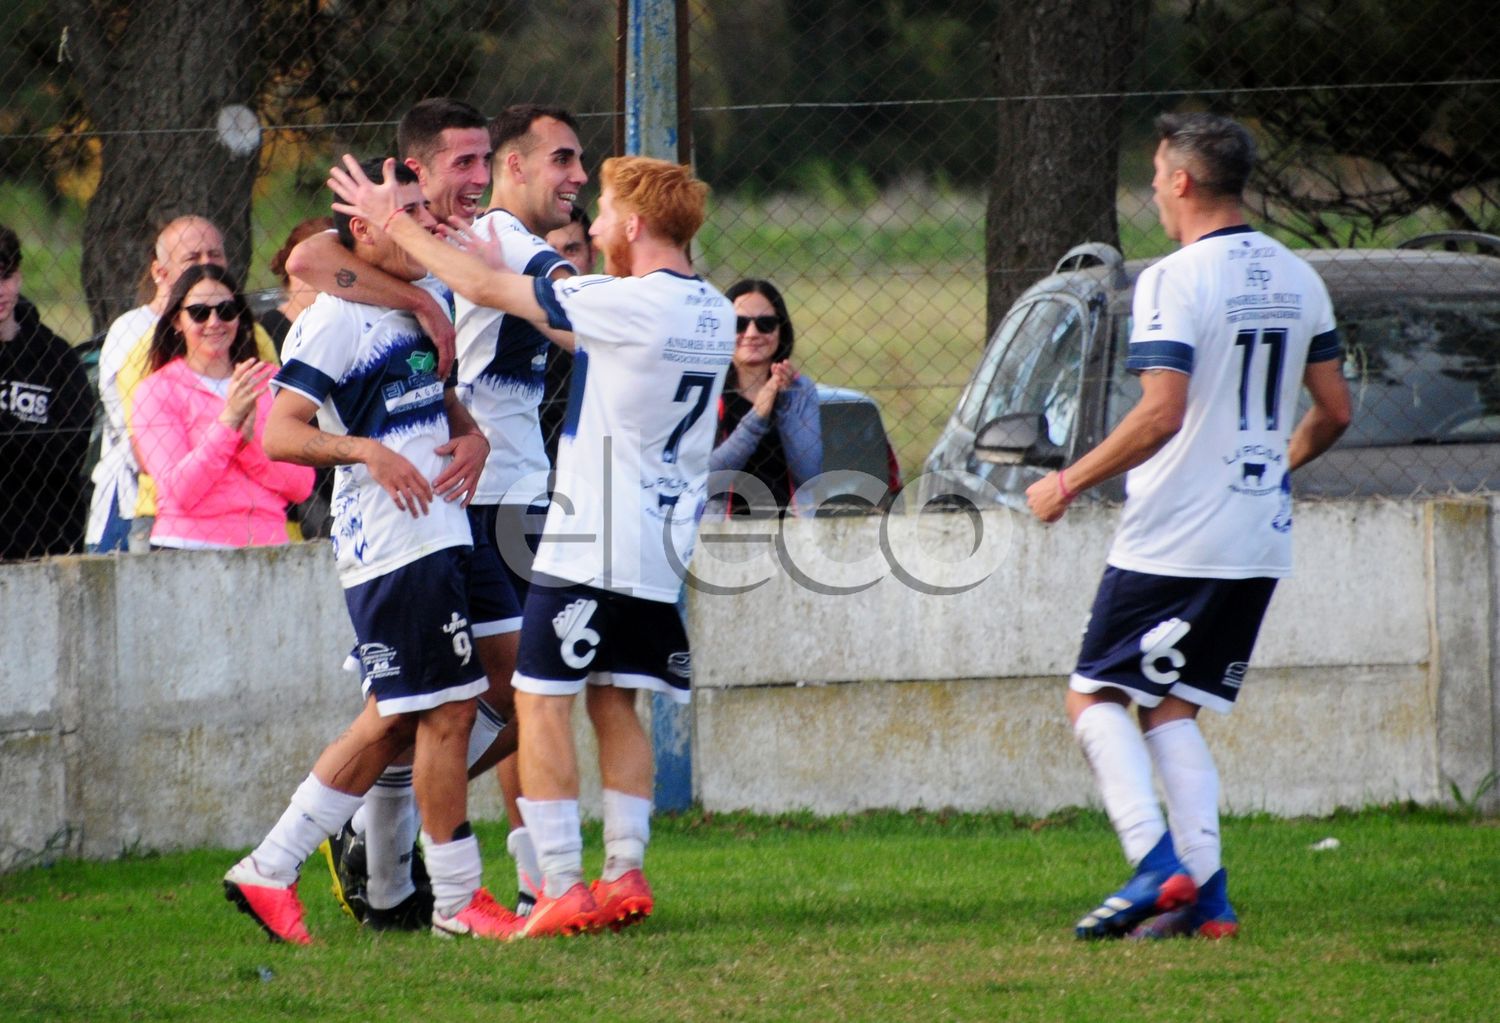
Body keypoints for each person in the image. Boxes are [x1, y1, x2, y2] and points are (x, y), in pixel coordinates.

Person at [328, 151, 736, 938]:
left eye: (611, 213)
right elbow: (560, 319)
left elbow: (486, 291)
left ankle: (558, 883)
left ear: (638, 225)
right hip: (660, 549)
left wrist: (395, 223)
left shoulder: (628, 302)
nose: (601, 226)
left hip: (591, 544)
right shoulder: (711, 310)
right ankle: (625, 871)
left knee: (539, 704)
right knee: (617, 701)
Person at [1023, 112, 1352, 941]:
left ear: (1180, 181)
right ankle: (1209, 900)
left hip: (1176, 530)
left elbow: (1162, 411)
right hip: (1257, 533)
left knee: (1093, 695)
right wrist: (1272, 467)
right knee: (1170, 708)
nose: (1154, 194)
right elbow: (1336, 410)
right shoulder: (1298, 277)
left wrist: (1067, 480)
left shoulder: (1173, 278)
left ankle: (1154, 863)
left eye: (1156, 177)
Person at [223, 158, 513, 943]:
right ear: (363, 229)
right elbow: (280, 431)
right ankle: (457, 901)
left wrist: (470, 431)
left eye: (424, 214)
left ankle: (274, 868)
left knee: (403, 717)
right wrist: (367, 453)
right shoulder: (337, 315)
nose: (421, 229)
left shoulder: (421, 300)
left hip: (434, 531)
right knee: (445, 709)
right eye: (402, 215)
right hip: (392, 542)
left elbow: (429, 383)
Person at [454, 103, 588, 916]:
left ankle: (537, 871)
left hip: (519, 495)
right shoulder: (507, 241)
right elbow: (575, 305)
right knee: (517, 690)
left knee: (513, 695)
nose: (578, 175)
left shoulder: (506, 246)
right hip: (486, 500)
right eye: (563, 159)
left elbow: (578, 331)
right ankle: (383, 807)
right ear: (515, 166)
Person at [129, 265, 313, 550]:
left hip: (267, 546)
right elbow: (181, 491)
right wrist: (229, 422)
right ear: (177, 320)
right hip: (187, 546)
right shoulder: (156, 390)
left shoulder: (269, 381)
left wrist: (249, 445)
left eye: (226, 310)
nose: (214, 321)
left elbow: (301, 485)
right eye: (199, 312)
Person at [87, 216, 224, 553]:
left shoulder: (231, 326)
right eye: (192, 259)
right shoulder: (133, 331)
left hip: (217, 505)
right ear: (160, 273)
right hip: (138, 509)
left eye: (215, 255)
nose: (206, 266)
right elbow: (149, 441)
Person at [0, 224, 94, 560]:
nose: (1, 290)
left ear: (19, 277)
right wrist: (30, 437)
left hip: (47, 541)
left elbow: (71, 445)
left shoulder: (55, 357)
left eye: (6, 276)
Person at [710, 279, 822, 515]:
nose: (752, 334)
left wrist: (782, 401)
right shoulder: (709, 390)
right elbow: (709, 477)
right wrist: (757, 416)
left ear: (781, 330)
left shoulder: (799, 390)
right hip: (721, 537)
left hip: (789, 533)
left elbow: (808, 472)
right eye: (738, 324)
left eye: (765, 324)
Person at [540, 202, 597, 465]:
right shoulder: (513, 325)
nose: (560, 261)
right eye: (549, 251)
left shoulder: (609, 316)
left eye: (571, 250)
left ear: (592, 255)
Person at [260, 216, 334, 354]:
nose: (318, 276)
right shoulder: (267, 329)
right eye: (308, 266)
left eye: (331, 266)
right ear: (289, 267)